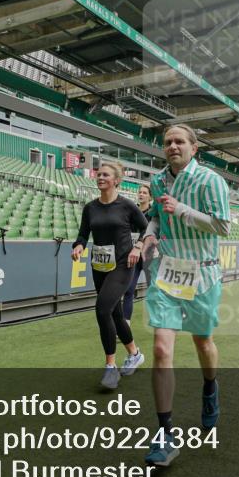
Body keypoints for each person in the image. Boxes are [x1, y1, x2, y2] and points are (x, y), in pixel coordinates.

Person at [138, 124, 230, 466]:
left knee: (203, 342)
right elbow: (157, 219)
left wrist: (183, 211)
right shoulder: (158, 181)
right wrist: (149, 235)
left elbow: (222, 224)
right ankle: (165, 433)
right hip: (167, 273)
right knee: (161, 347)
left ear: (194, 148)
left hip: (202, 273)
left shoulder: (210, 181)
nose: (172, 146)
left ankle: (210, 388)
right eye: (167, 142)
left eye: (179, 141)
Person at [72, 161, 148, 390]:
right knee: (114, 314)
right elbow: (83, 234)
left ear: (116, 180)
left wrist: (138, 246)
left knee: (102, 309)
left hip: (124, 264)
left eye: (105, 174)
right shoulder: (90, 208)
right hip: (99, 266)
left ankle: (110, 367)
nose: (100, 177)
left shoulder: (126, 206)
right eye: (98, 174)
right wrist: (79, 246)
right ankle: (134, 353)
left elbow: (146, 228)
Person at [121, 183, 155, 324]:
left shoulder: (153, 213)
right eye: (140, 192)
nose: (141, 194)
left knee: (154, 289)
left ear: (150, 196)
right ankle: (125, 324)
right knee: (128, 289)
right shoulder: (132, 210)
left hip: (149, 256)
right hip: (133, 255)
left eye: (144, 193)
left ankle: (160, 320)